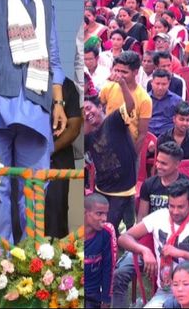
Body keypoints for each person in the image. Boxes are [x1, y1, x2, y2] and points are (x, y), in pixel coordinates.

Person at [112, 140, 189, 309]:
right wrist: (144, 250)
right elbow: (141, 218)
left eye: (163, 163)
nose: (158, 166)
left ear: (177, 165)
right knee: (120, 274)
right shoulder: (149, 184)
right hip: (149, 240)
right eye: (157, 161)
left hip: (177, 246)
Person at [117, 180, 189, 308]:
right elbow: (123, 238)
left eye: (180, 207)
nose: (175, 211)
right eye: (171, 206)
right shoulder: (159, 217)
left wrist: (183, 254)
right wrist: (145, 251)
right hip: (166, 291)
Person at [84, 97, 137, 233]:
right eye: (82, 112)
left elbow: (130, 105)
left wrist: (122, 84)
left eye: (89, 108)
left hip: (122, 189)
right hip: (101, 187)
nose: (87, 113)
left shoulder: (113, 120)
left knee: (108, 228)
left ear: (100, 107)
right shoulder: (88, 136)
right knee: (93, 225)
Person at [45, 78, 82, 239]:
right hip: (26, 157)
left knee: (56, 212)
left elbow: (74, 128)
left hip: (57, 159)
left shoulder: (66, 85)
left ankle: (56, 259)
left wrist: (49, 151)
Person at [100, 51, 152, 144]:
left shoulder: (144, 99)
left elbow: (142, 134)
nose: (119, 75)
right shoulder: (108, 87)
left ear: (135, 72)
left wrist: (133, 156)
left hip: (128, 146)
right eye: (117, 70)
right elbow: (96, 106)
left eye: (124, 72)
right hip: (107, 143)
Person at [85, 193, 115, 309]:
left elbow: (109, 267)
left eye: (106, 214)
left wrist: (106, 299)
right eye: (99, 214)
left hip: (94, 294)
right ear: (85, 212)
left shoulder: (106, 232)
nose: (104, 219)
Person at [149, 69, 183, 137]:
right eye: (157, 83)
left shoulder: (177, 101)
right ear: (152, 82)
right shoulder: (145, 100)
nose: (160, 87)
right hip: (148, 135)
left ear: (169, 83)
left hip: (169, 137)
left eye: (164, 84)